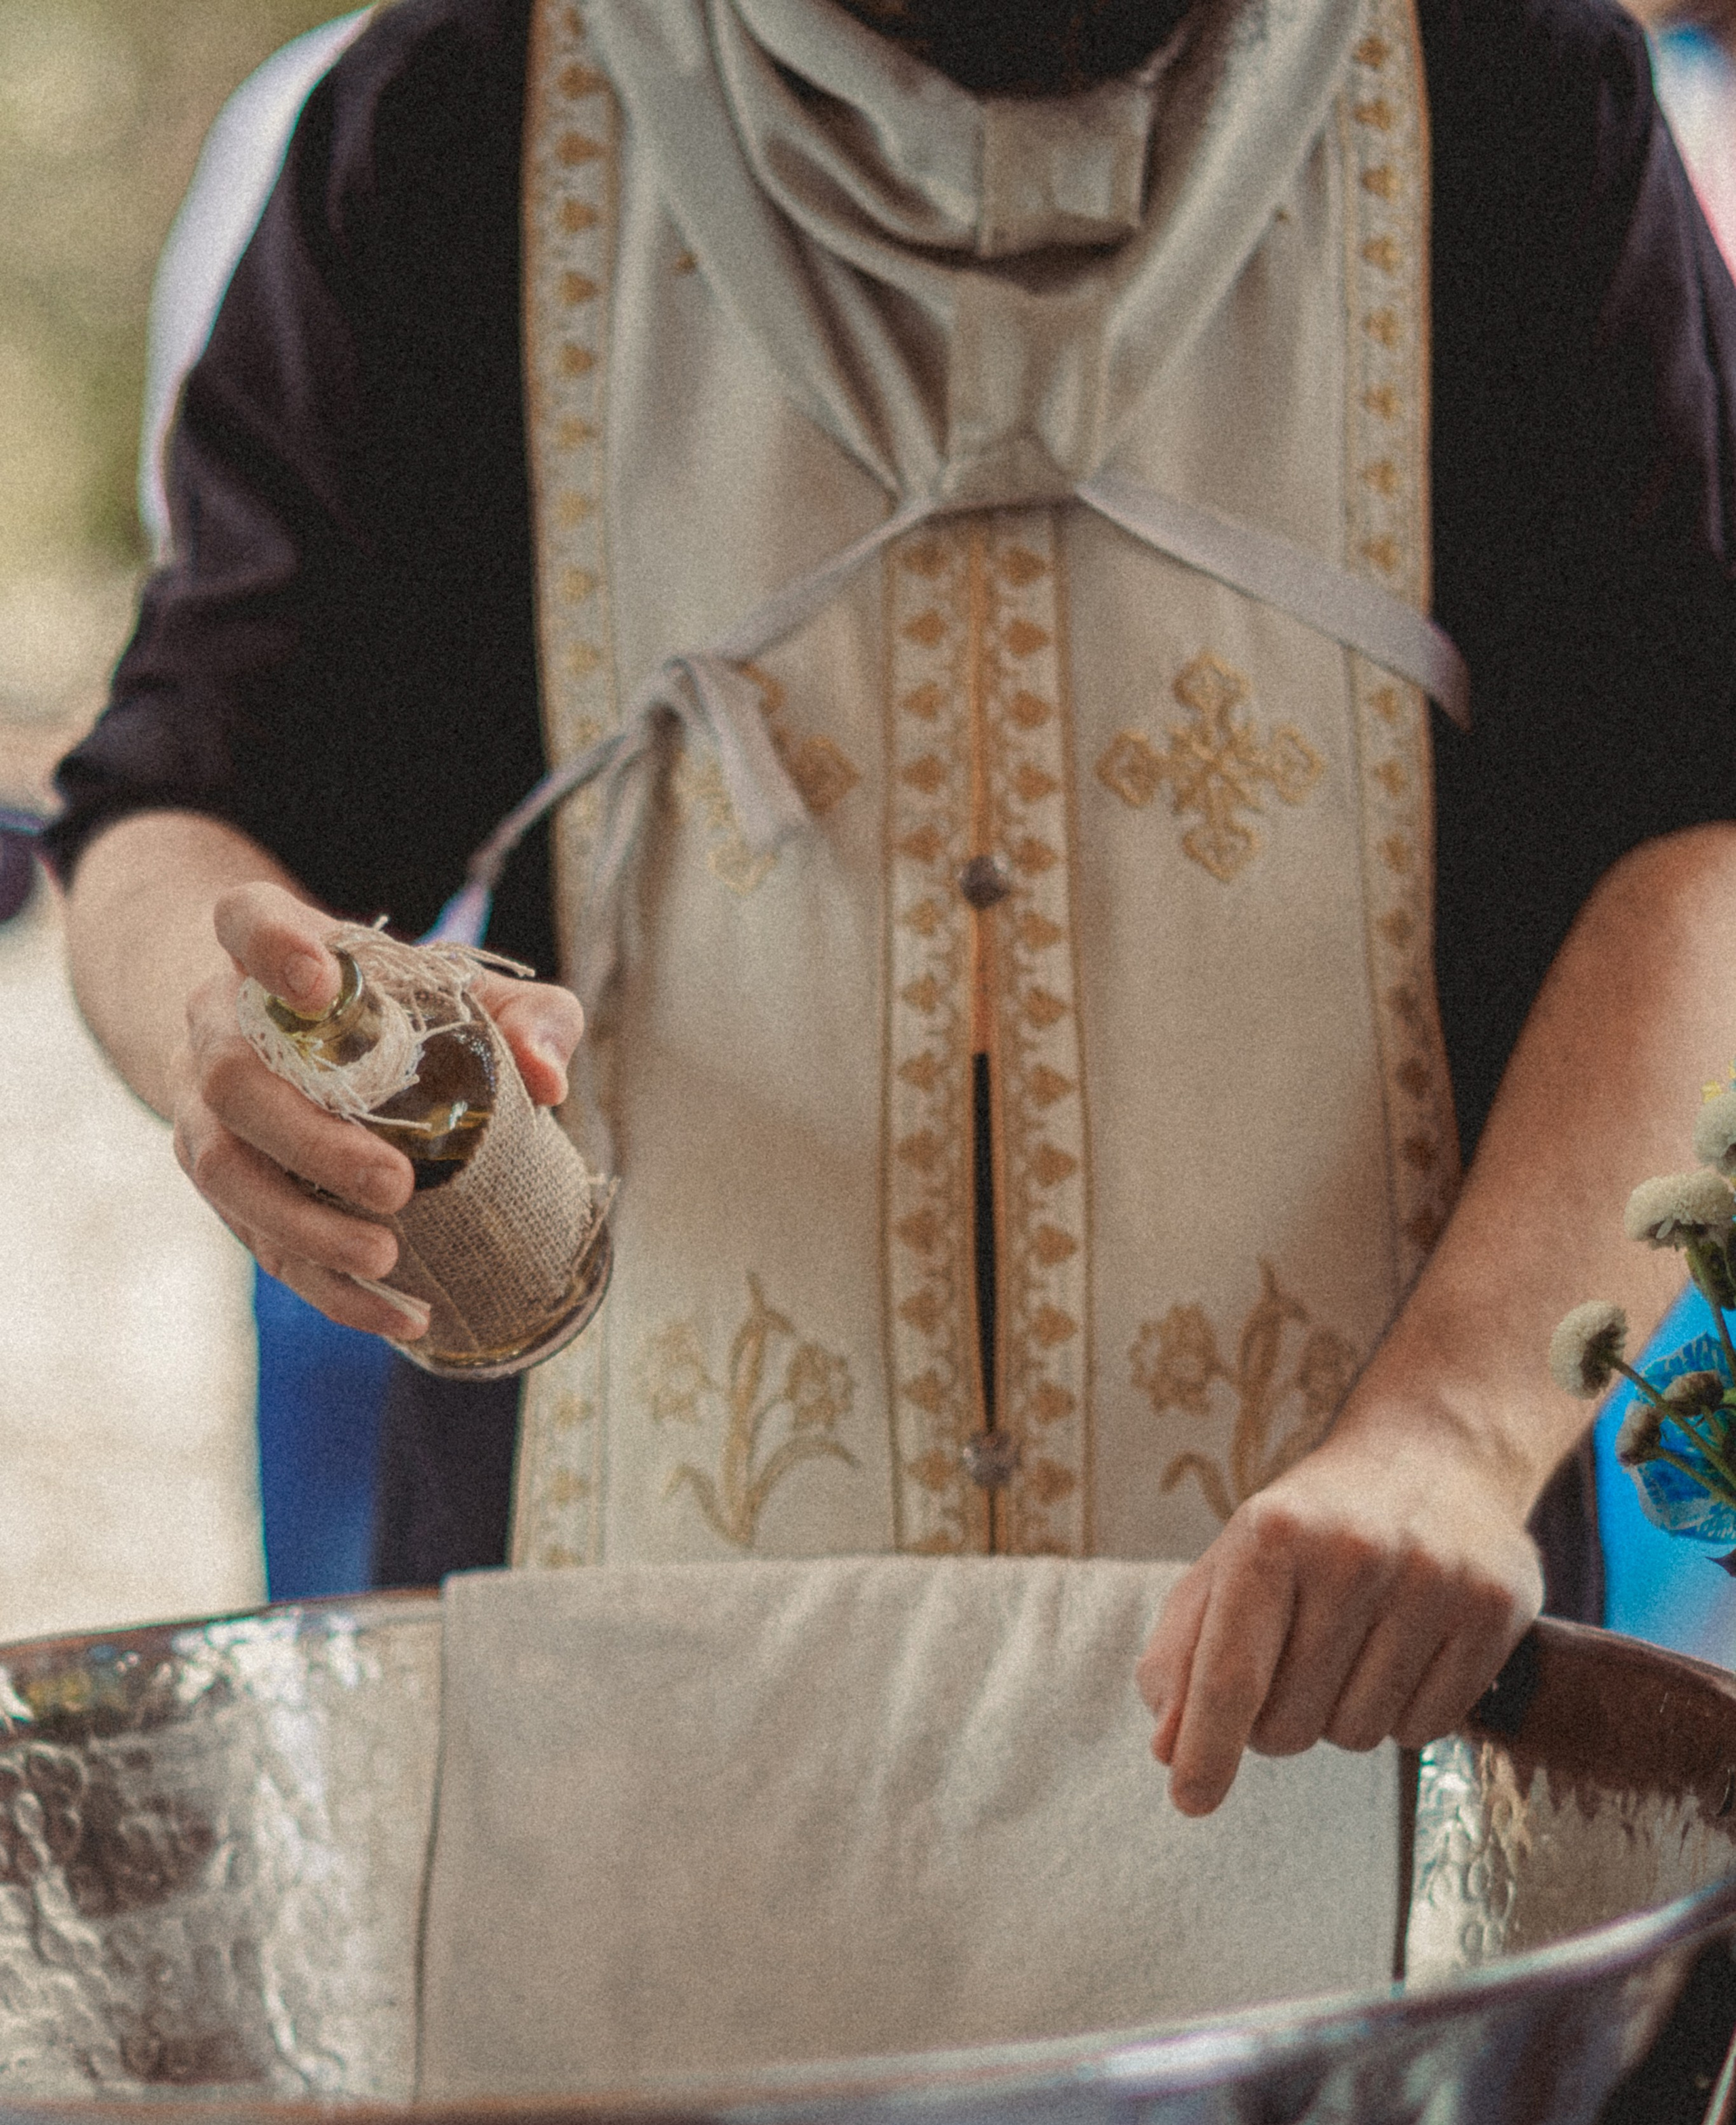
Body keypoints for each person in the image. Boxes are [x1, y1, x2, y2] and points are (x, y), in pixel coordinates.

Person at [50, 0, 1736, 1818]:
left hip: (1358, 1669)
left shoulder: (1502, 96)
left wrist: (1456, 1437)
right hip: (634, 1692)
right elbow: (189, 802)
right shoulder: (457, 113)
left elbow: (1693, 821)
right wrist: (228, 1027)